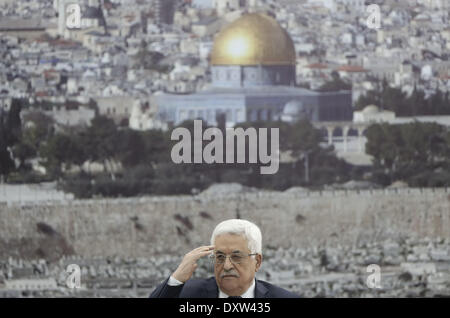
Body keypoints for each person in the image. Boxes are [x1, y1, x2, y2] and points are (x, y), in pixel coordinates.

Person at [150, 219, 299, 298]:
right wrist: (176, 279)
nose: (227, 265)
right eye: (220, 256)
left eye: (236, 256)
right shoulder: (188, 294)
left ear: (257, 262)